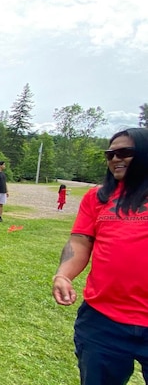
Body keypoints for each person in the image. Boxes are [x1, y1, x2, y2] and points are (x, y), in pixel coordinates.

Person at [52, 128, 148, 385]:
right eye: (110, 154)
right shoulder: (97, 197)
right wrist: (63, 275)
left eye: (125, 152)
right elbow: (81, 240)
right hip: (103, 320)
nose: (116, 159)